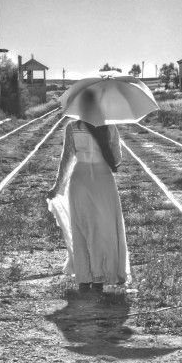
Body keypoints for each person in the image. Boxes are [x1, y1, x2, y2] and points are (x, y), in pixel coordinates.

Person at [46, 94, 130, 295]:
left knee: (81, 230)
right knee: (104, 229)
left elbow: (66, 161)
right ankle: (100, 278)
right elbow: (117, 159)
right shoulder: (109, 127)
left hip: (79, 180)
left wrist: (57, 187)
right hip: (103, 181)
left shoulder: (71, 128)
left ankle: (84, 279)